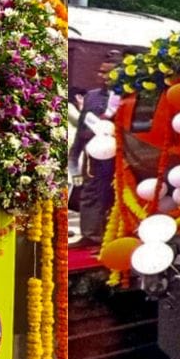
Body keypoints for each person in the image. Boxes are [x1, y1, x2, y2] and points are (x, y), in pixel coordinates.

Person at [69, 51, 122, 248]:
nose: (101, 76)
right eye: (100, 72)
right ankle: (90, 235)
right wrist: (75, 153)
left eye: (107, 73)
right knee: (91, 193)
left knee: (114, 194)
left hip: (122, 153)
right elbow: (83, 127)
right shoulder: (91, 96)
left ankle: (112, 233)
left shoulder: (129, 95)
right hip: (94, 154)